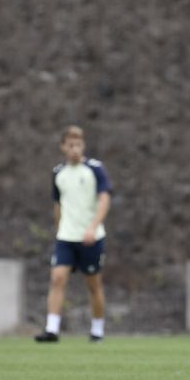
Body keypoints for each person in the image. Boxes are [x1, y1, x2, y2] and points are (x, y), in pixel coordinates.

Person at [34, 126, 112, 343]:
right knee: (57, 278)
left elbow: (105, 199)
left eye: (78, 145)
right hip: (66, 238)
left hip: (91, 237)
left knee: (93, 284)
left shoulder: (95, 169)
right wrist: (59, 229)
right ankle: (52, 329)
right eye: (70, 145)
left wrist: (93, 227)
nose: (75, 149)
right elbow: (58, 204)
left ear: (83, 146)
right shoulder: (58, 173)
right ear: (63, 147)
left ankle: (97, 330)